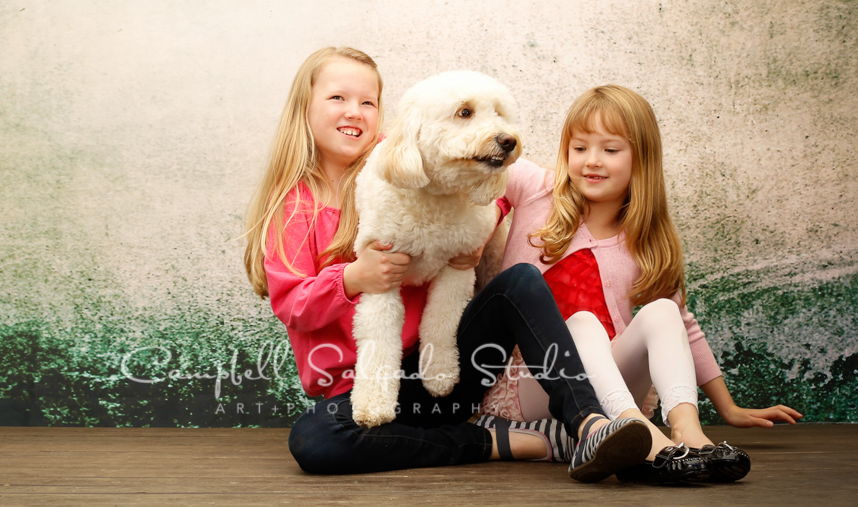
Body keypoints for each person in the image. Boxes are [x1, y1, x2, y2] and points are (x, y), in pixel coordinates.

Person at [243, 48, 654, 480]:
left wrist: (479, 233)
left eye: (368, 102)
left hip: (447, 365)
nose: (355, 112)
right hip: (363, 390)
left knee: (521, 282)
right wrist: (352, 278)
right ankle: (488, 441)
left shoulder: (407, 152)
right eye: (337, 99)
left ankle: (587, 423)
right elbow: (291, 304)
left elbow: (480, 177)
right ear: (303, 109)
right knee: (317, 438)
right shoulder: (293, 208)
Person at [479, 85, 802, 484]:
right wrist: (476, 232)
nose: (592, 162)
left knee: (663, 311)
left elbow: (685, 328)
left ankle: (688, 432)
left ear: (641, 158)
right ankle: (642, 436)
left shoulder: (646, 241)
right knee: (582, 324)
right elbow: (471, 164)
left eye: (610, 150)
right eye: (579, 148)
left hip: (610, 384)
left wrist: (729, 409)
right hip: (536, 382)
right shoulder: (537, 190)